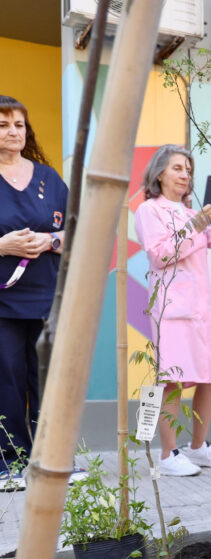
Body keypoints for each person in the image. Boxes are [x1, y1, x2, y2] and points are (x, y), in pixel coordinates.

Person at [135, 145, 211, 476]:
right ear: (159, 173)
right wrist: (197, 225)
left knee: (210, 379)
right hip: (171, 310)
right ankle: (167, 455)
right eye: (178, 168)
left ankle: (198, 447)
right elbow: (161, 254)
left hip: (201, 310)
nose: (185, 174)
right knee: (171, 380)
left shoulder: (189, 211)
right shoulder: (149, 210)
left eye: (188, 169)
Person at [0, 96, 68, 488]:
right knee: (6, 381)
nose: (13, 131)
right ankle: (10, 461)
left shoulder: (49, 178)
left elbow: (76, 227)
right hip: (3, 303)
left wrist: (49, 241)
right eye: (4, 124)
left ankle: (50, 460)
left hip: (46, 298)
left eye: (19, 125)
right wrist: (2, 246)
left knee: (48, 380)